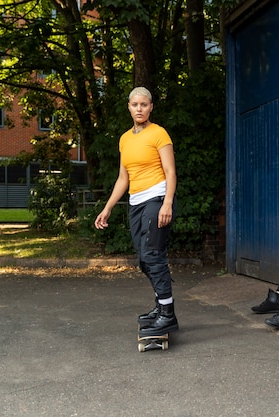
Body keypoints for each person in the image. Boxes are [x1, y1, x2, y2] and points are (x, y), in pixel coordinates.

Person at [95, 87, 178, 337]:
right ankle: (160, 305)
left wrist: (167, 203)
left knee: (153, 255)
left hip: (157, 198)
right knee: (143, 259)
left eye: (144, 104)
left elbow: (171, 172)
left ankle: (168, 314)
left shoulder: (159, 134)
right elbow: (123, 178)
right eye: (135, 105)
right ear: (129, 107)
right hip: (136, 202)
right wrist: (107, 208)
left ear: (151, 106)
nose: (139, 109)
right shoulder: (124, 139)